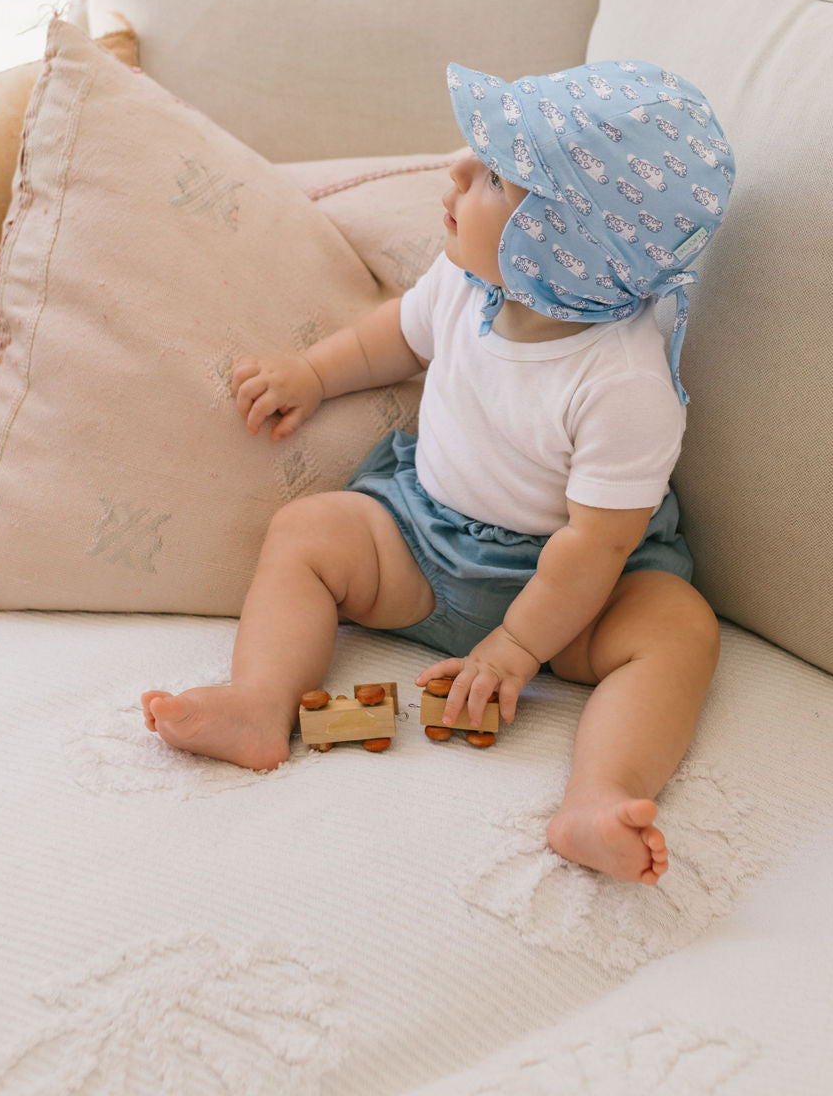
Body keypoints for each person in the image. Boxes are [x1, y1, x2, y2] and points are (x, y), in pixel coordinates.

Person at [143, 59, 734, 886]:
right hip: (424, 543)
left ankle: (600, 796)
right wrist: (313, 374)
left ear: (562, 248)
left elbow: (596, 547)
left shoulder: (624, 383)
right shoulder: (465, 280)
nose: (457, 169)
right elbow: (395, 337)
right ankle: (258, 701)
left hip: (579, 594)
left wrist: (517, 648)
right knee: (307, 531)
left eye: (494, 176)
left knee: (678, 631)